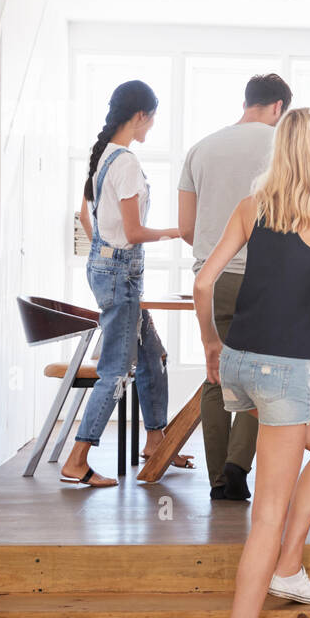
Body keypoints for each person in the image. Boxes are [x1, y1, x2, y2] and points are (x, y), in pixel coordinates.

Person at [196, 107, 310, 618]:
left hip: (239, 361)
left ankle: (290, 567)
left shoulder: (251, 206)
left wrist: (212, 345)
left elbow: (203, 281)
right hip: (283, 372)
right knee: (265, 516)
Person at [63, 80, 184, 488]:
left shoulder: (103, 157)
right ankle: (77, 459)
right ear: (139, 116)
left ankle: (156, 441)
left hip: (106, 267)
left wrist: (108, 250)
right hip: (122, 274)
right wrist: (177, 231)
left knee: (152, 355)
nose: (152, 126)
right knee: (115, 371)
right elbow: (133, 232)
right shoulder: (126, 161)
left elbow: (90, 220)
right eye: (152, 118)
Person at [179, 73, 293, 501]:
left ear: (247, 102)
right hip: (263, 280)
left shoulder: (201, 148)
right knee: (258, 377)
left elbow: (188, 228)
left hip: (211, 278)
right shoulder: (282, 149)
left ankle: (216, 479)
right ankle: (236, 468)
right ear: (279, 108)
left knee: (216, 375)